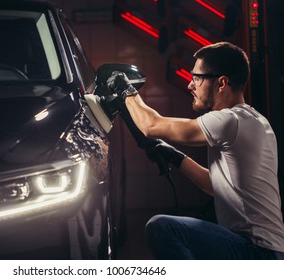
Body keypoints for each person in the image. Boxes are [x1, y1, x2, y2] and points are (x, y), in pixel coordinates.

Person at [107, 41, 284, 259]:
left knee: (162, 228)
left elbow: (151, 126)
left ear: (221, 83)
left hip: (254, 251)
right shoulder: (256, 121)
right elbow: (214, 185)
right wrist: (174, 155)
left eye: (197, 78)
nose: (191, 85)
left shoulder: (229, 120)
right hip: (268, 252)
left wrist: (125, 89)